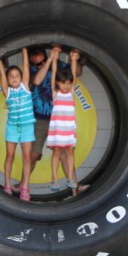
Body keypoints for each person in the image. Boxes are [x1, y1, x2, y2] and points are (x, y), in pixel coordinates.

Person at [29, 45, 89, 194]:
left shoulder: (62, 66)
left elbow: (77, 73)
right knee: (34, 153)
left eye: (42, 61)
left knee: (66, 153)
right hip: (41, 119)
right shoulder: (32, 70)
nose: (40, 65)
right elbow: (37, 81)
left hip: (60, 122)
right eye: (37, 64)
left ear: (44, 53)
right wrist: (50, 60)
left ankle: (75, 187)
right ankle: (22, 185)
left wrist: (74, 57)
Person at [0, 47, 35, 201]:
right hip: (12, 127)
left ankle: (24, 187)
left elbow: (26, 67)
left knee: (27, 157)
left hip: (27, 127)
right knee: (10, 156)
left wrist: (25, 48)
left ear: (21, 78)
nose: (14, 78)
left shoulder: (25, 87)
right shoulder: (7, 92)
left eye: (16, 76)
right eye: (10, 76)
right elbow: (1, 73)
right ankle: (7, 185)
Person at [48, 49, 80, 192]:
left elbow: (73, 74)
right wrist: (55, 58)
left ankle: (70, 178)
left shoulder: (71, 93)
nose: (66, 86)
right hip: (57, 130)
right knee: (56, 153)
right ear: (58, 83)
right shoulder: (56, 93)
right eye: (63, 83)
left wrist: (73, 60)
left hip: (68, 130)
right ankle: (54, 179)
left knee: (70, 152)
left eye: (68, 83)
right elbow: (53, 74)